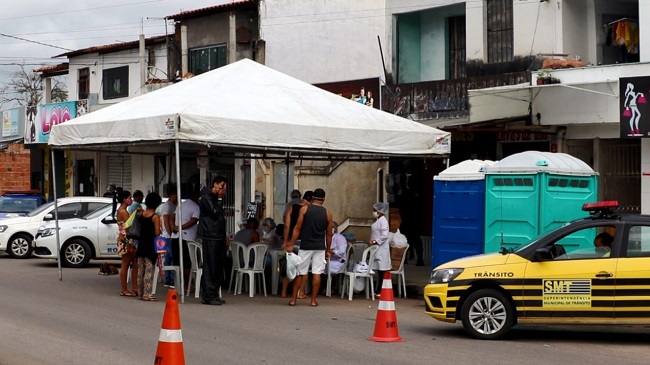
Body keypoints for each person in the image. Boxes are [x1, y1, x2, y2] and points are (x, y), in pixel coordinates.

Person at [286, 188, 333, 307]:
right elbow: (328, 234)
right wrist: (328, 249)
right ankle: (313, 301)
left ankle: (293, 300)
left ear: (312, 198)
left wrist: (291, 244)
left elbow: (297, 228)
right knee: (317, 273)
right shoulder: (327, 213)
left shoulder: (304, 209)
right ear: (324, 199)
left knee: (300, 273)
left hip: (306, 245)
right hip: (319, 247)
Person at [199, 176, 228, 306]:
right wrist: (220, 199)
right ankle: (208, 294)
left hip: (218, 236)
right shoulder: (206, 198)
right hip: (210, 235)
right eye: (222, 187)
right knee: (210, 266)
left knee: (217, 267)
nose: (223, 191)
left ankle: (214, 293)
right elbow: (215, 212)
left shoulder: (213, 198)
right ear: (215, 185)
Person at [280, 190, 313, 298]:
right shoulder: (310, 210)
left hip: (291, 242)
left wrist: (285, 241)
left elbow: (286, 226)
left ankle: (284, 292)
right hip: (305, 242)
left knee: (288, 265)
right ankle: (301, 292)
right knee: (303, 268)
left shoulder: (291, 207)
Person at [135, 192, 163, 301]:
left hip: (141, 244)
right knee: (149, 270)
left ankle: (141, 293)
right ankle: (147, 293)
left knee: (140, 270)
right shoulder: (155, 217)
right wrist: (160, 229)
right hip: (150, 245)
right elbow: (157, 233)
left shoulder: (141, 214)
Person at [172, 189, 200, 292]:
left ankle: (178, 285)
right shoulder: (196, 207)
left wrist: (174, 227)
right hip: (187, 238)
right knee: (187, 263)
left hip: (175, 237)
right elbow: (193, 221)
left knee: (178, 263)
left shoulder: (181, 205)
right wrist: (181, 227)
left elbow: (173, 216)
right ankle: (187, 285)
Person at [114, 190, 138, 297]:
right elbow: (129, 224)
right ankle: (124, 289)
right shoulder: (123, 211)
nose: (131, 199)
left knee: (134, 263)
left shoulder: (123, 210)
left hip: (126, 238)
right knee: (126, 264)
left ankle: (134, 287)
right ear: (124, 199)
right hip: (126, 239)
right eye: (129, 197)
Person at [368, 202, 391, 299]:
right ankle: (377, 290)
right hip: (377, 249)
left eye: (375, 210)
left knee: (382, 271)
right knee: (378, 270)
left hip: (381, 249)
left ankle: (380, 291)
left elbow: (384, 236)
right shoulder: (379, 220)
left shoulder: (383, 221)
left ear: (380, 212)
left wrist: (374, 241)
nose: (373, 212)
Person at [161, 185, 178, 287]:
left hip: (168, 235)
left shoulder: (172, 205)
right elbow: (166, 221)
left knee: (168, 258)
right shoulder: (167, 206)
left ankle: (168, 279)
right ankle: (171, 278)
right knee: (172, 256)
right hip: (168, 236)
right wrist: (170, 234)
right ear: (173, 195)